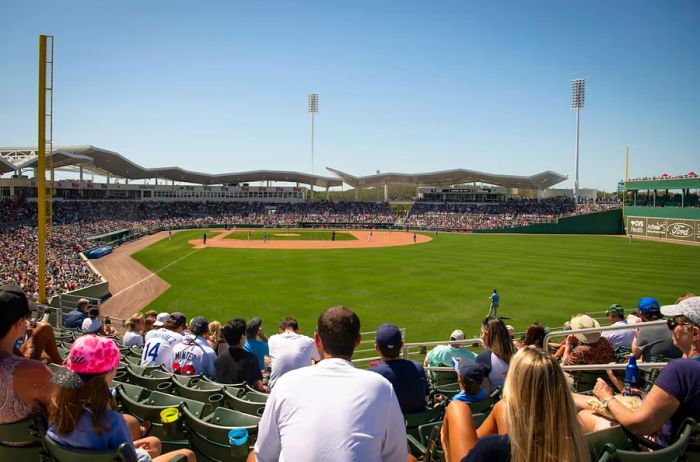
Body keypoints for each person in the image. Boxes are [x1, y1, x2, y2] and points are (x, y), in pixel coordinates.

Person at [252, 306, 408, 462]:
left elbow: (262, 456)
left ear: (317, 339)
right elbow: (397, 457)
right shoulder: (381, 387)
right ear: (358, 341)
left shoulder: (285, 384)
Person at [47, 335, 196, 462]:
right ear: (110, 370)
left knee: (153, 442)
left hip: (84, 455)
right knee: (187, 455)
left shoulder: (57, 408)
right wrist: (142, 455)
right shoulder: (111, 421)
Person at [578, 296, 700, 446]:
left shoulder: (681, 369)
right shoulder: (687, 369)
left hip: (657, 449)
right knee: (578, 401)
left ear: (695, 333)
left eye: (673, 323)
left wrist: (607, 397)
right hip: (681, 443)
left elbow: (639, 425)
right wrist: (644, 395)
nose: (670, 326)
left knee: (584, 415)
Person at [441, 347, 590, 462]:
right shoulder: (577, 441)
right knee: (501, 407)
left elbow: (479, 445)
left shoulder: (493, 448)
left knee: (457, 408)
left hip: (502, 449)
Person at [0, 284, 54, 424]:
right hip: (33, 444)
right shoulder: (35, 371)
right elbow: (63, 411)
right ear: (18, 323)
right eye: (26, 317)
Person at [368, 323, 429, 413]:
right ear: (401, 345)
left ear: (377, 348)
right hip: (418, 424)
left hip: (389, 426)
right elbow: (426, 398)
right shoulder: (418, 368)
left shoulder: (372, 375)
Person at [267, 316, 320, 389]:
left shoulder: (272, 339)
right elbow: (318, 358)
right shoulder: (309, 341)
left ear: (280, 330)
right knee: (313, 361)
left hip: (275, 390)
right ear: (297, 330)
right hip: (302, 390)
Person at [215, 318, 267, 391]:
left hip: (224, 397)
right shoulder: (251, 359)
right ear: (242, 337)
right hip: (241, 399)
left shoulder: (219, 358)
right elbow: (258, 387)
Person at [632, 296, 682, 361]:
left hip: (654, 369)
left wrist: (637, 333)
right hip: (676, 365)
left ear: (641, 314)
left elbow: (635, 355)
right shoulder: (673, 323)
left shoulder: (645, 329)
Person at [476, 318, 515, 392]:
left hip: (498, 401)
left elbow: (485, 393)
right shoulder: (520, 352)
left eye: (486, 334)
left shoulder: (483, 358)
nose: (482, 337)